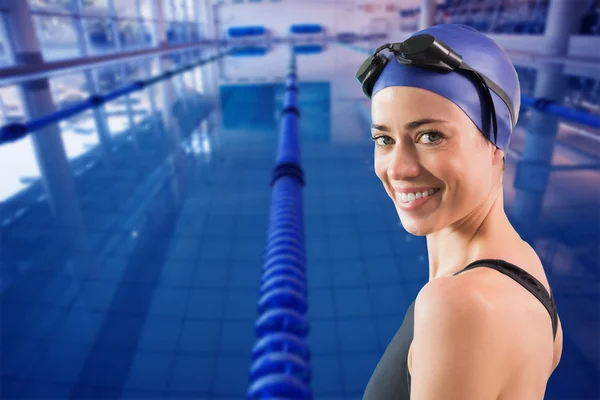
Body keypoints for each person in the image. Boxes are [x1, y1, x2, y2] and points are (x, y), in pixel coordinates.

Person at [357, 24, 562, 399]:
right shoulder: (525, 269)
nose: (398, 168)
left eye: (430, 136)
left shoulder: (459, 307)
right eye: (384, 139)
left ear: (495, 143)